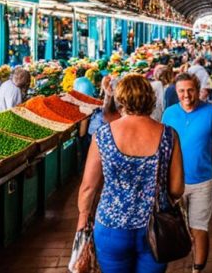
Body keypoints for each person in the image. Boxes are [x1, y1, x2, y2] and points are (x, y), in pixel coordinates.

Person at [76, 73, 184, 273]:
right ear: (150, 98)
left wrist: (83, 216)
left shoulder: (103, 135)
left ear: (120, 100)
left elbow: (89, 187)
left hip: (111, 226)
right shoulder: (169, 135)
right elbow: (177, 189)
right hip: (156, 226)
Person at [161, 74, 212, 273]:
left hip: (202, 182)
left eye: (190, 90)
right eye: (181, 91)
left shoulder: (210, 113)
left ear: (198, 89)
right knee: (174, 226)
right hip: (174, 182)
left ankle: (197, 269)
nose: (186, 95)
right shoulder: (169, 114)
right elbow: (162, 147)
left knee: (199, 227)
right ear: (176, 91)